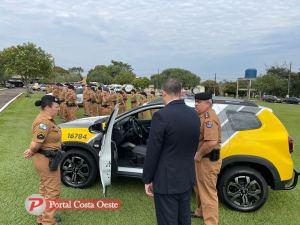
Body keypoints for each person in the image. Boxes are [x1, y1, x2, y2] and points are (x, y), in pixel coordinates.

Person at [143, 79, 200, 225]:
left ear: (164, 93)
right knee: (184, 219)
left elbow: (153, 150)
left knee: (168, 221)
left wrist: (147, 179)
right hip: (186, 177)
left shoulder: (161, 115)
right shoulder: (194, 114)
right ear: (180, 92)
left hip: (166, 180)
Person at [23, 95, 62, 225]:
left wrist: (32, 151)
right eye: (56, 107)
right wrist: (31, 150)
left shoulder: (47, 120)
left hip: (45, 158)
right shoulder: (44, 122)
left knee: (44, 189)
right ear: (47, 107)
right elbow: (35, 143)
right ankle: (48, 222)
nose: (58, 109)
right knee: (52, 191)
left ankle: (41, 218)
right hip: (47, 160)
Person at [192, 92, 222, 225]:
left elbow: (211, 142)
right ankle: (201, 212)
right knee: (199, 188)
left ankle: (210, 222)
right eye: (196, 101)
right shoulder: (202, 116)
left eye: (199, 102)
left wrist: (198, 155)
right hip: (202, 160)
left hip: (207, 160)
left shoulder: (209, 118)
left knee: (208, 192)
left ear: (208, 103)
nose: (196, 104)